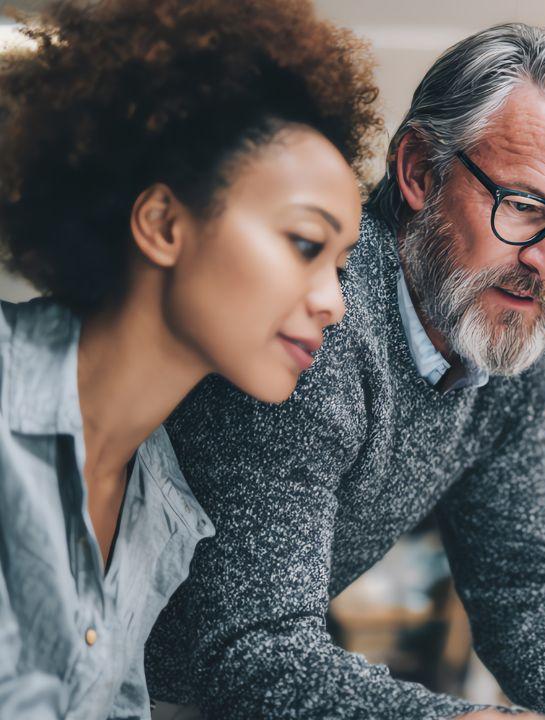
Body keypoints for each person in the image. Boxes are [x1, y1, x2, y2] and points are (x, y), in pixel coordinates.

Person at [143, 22, 545, 720]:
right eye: (526, 207)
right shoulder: (318, 326)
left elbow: (520, 580)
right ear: (418, 171)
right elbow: (254, 649)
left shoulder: (500, 338)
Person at [0, 0, 377, 717]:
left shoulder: (163, 510)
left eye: (342, 264)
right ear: (164, 224)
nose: (335, 302)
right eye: (304, 243)